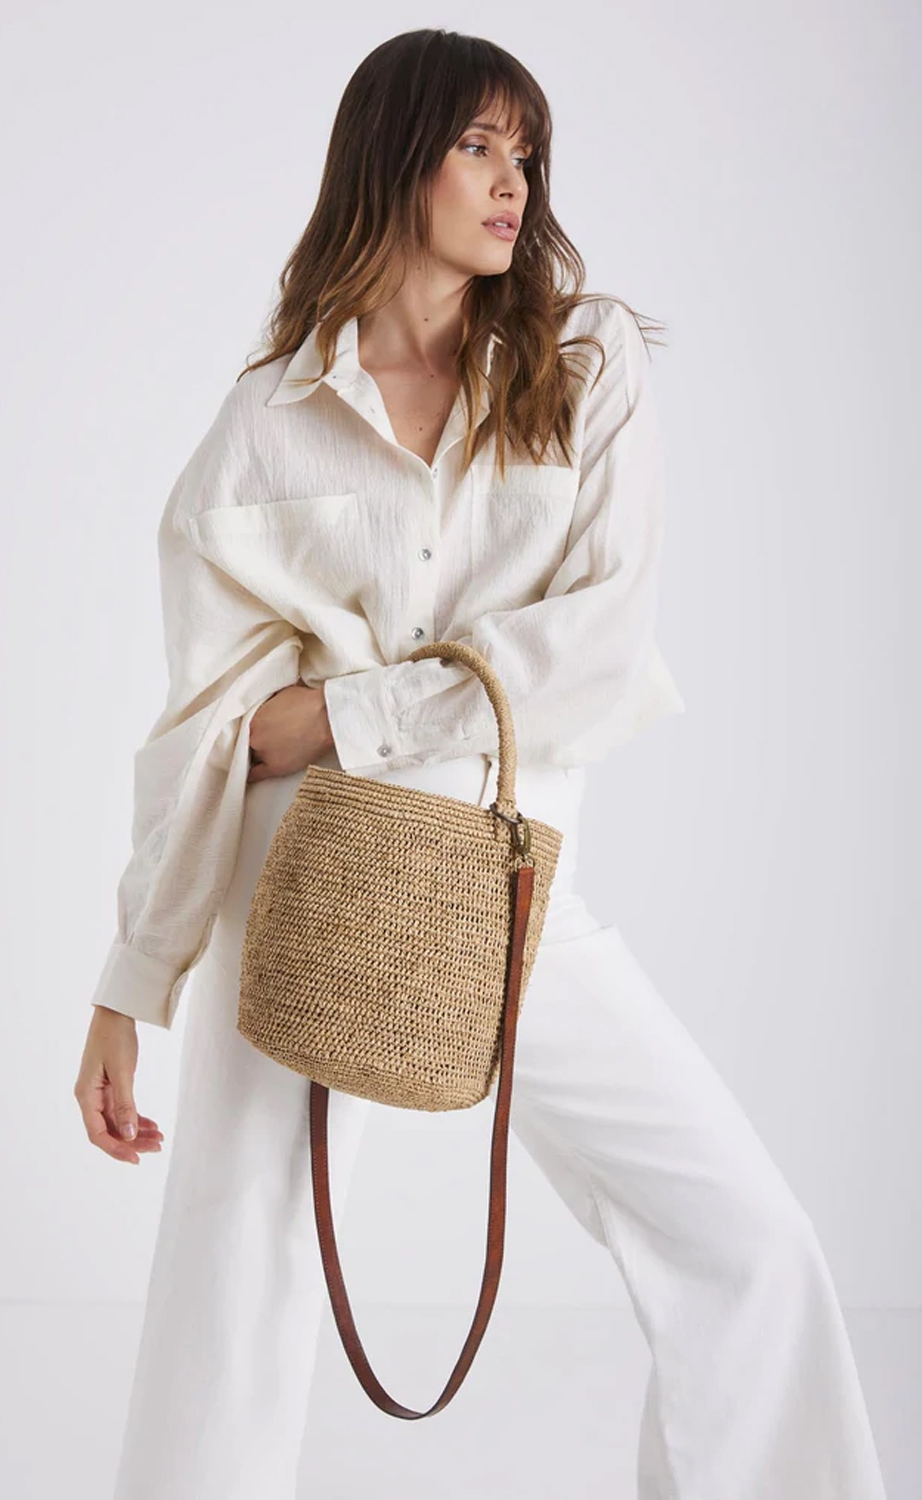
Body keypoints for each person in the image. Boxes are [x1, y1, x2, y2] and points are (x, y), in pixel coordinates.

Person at [73, 28, 889, 1500]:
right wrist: (131, 985)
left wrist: (349, 712)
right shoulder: (267, 424)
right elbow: (205, 736)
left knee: (745, 1234)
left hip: (510, 881)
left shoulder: (586, 364)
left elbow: (600, 646)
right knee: (236, 1260)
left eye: (527, 152)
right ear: (394, 158)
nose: (514, 181)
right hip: (302, 871)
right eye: (477, 147)